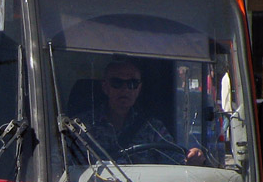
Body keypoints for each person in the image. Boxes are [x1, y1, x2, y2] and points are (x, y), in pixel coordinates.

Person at [74, 57, 204, 165]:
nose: (125, 89)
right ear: (105, 87)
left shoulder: (153, 128)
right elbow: (65, 168)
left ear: (139, 89)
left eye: (132, 83)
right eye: (117, 83)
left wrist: (192, 158)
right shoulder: (81, 127)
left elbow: (176, 162)